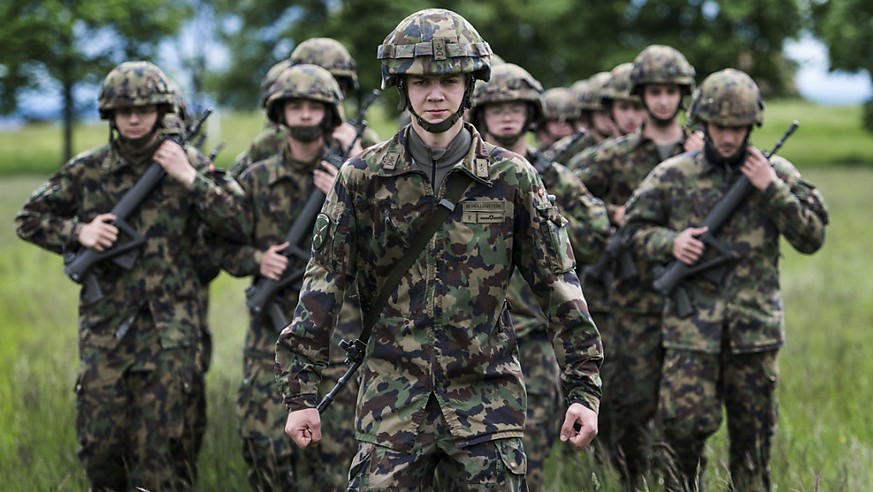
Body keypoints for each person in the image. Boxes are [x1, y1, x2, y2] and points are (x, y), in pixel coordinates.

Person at [275, 8, 603, 490]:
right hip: (391, 407)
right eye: (421, 80)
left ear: (470, 85)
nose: (435, 94)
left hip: (486, 408)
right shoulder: (363, 178)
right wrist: (301, 393)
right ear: (401, 85)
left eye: (449, 79)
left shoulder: (511, 178)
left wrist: (582, 388)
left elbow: (558, 285)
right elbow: (322, 285)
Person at [14, 61, 249, 491]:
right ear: (111, 117)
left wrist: (188, 177)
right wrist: (78, 230)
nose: (135, 118)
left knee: (164, 454)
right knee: (100, 447)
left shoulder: (190, 163)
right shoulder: (89, 170)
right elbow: (28, 217)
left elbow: (239, 222)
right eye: (125, 111)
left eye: (145, 109)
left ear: (162, 111)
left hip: (172, 334)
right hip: (107, 333)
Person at [623, 68, 829, 491]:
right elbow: (631, 230)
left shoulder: (777, 174)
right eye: (720, 127)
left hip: (754, 333)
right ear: (702, 123)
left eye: (738, 127)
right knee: (680, 434)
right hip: (690, 333)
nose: (730, 137)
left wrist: (770, 188)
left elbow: (811, 236)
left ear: (751, 126)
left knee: (753, 446)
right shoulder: (673, 174)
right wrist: (671, 243)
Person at [217, 64, 362, 491]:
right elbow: (215, 246)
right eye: (294, 106)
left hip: (338, 336)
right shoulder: (255, 179)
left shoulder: (353, 179)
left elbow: (383, 249)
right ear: (279, 113)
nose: (303, 115)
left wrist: (346, 194)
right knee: (263, 447)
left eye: (313, 107)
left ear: (330, 115)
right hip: (270, 335)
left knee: (338, 457)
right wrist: (256, 259)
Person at [469, 62, 611, 491]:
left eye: (516, 106)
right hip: (470, 334)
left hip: (533, 334)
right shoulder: (464, 177)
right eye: (497, 107)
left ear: (531, 113)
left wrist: (547, 226)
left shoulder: (553, 180)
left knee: (529, 449)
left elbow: (597, 235)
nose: (507, 115)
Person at [571, 45, 699, 488]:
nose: (662, 101)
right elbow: (562, 195)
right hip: (631, 298)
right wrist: (611, 214)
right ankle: (629, 481)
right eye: (653, 92)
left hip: (693, 298)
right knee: (630, 403)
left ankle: (680, 480)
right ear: (640, 95)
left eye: (671, 92)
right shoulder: (615, 155)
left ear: (683, 96)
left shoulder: (701, 153)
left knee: (686, 408)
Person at [231, 37, 377, 178]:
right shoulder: (271, 142)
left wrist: (358, 160)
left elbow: (387, 195)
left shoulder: (361, 140)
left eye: (338, 83)